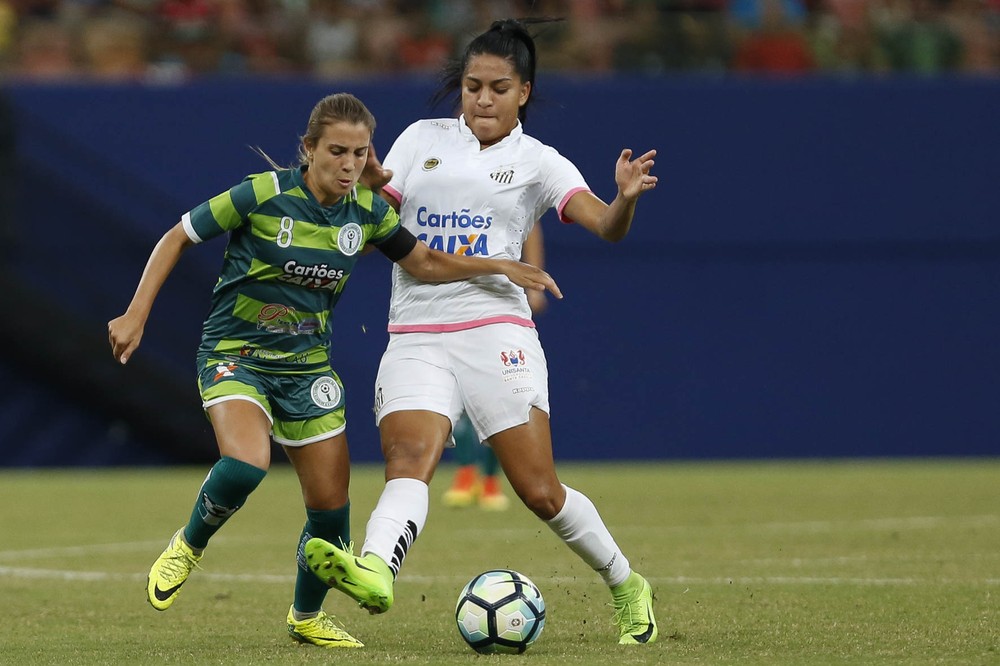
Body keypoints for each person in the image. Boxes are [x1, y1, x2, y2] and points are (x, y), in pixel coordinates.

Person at [107, 92, 560, 649]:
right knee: (247, 462)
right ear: (308, 150)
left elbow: (425, 262)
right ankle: (189, 544)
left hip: (307, 369)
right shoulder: (262, 194)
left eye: (358, 153)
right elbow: (179, 235)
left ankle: (306, 616)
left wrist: (496, 263)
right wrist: (135, 313)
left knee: (330, 509)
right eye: (336, 152)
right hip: (235, 354)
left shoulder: (367, 213)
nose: (348, 165)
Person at [304, 19, 660, 646]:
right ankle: (376, 572)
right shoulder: (421, 139)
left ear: (524, 91)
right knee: (409, 459)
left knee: (540, 491)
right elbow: (383, 209)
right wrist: (360, 186)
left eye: (498, 87)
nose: (483, 100)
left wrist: (624, 197)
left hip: (498, 332)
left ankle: (627, 582)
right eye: (472, 86)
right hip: (414, 330)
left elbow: (605, 226)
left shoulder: (538, 161)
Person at [442, 224, 547, 512]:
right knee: (458, 398)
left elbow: (531, 227)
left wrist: (532, 283)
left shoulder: (508, 183)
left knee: (501, 399)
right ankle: (465, 475)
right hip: (452, 301)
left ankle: (490, 480)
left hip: (499, 305)